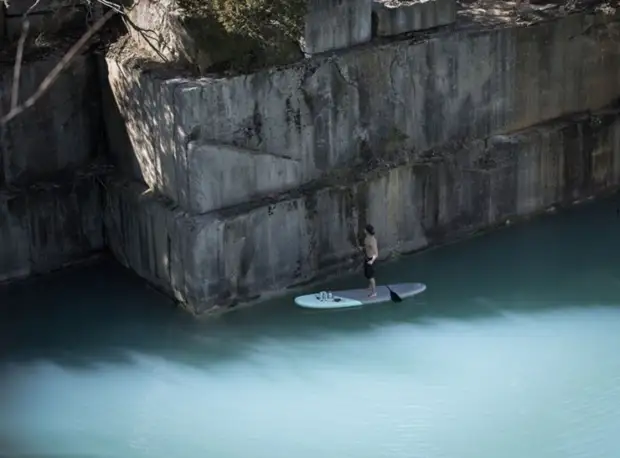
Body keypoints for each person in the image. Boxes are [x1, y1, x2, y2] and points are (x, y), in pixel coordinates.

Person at [361, 224, 378, 297]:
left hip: (371, 259)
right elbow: (366, 246)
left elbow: (376, 253)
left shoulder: (372, 240)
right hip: (366, 257)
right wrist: (362, 248)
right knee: (366, 274)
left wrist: (372, 261)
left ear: (367, 231)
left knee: (371, 276)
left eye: (365, 229)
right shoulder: (367, 237)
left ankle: (374, 292)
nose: (363, 230)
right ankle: (370, 287)